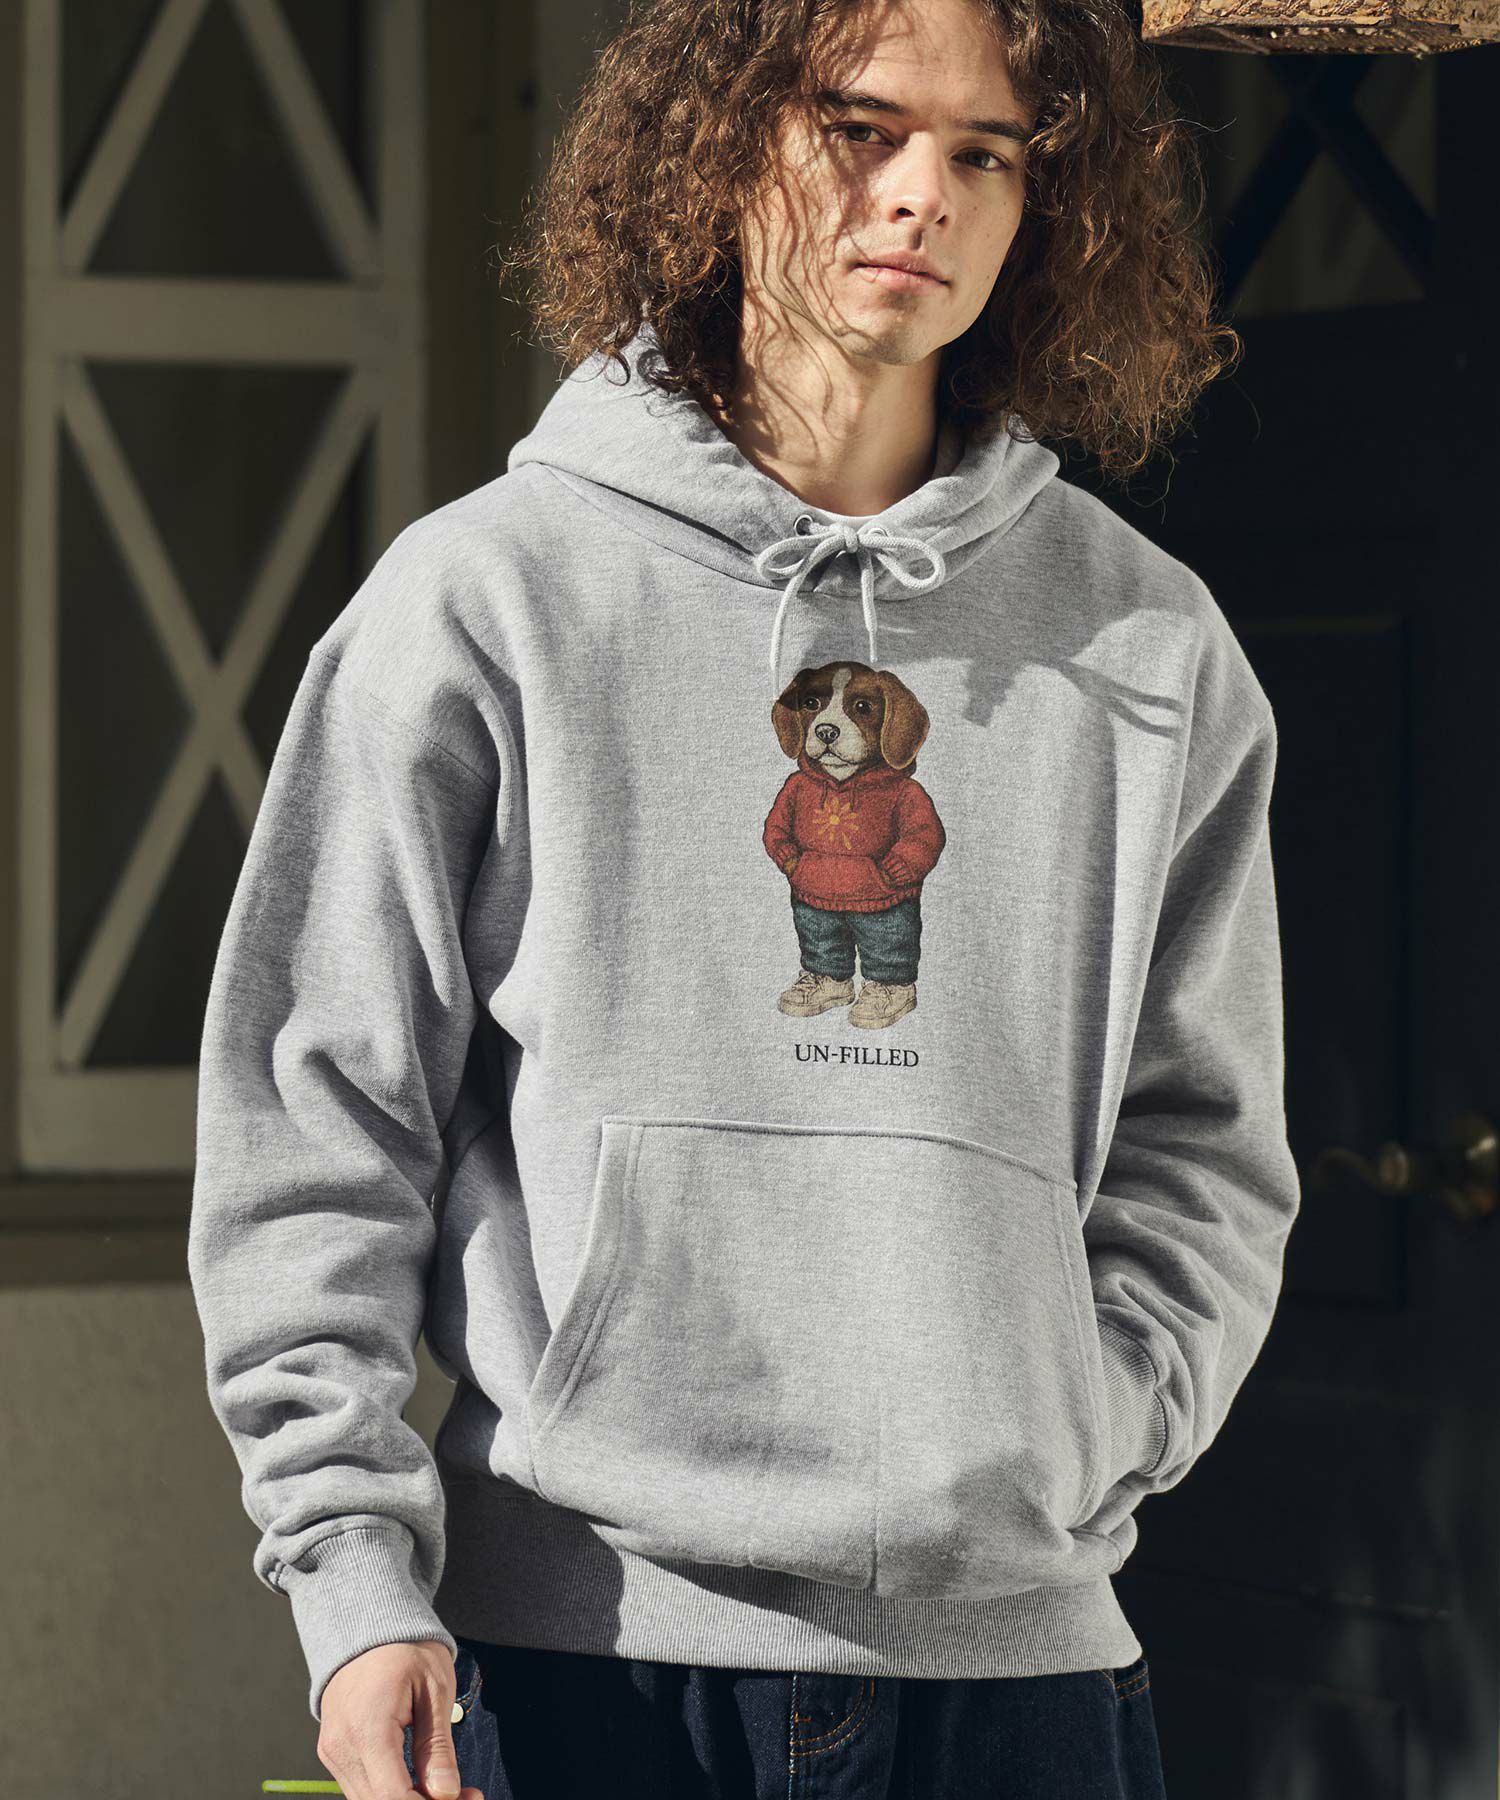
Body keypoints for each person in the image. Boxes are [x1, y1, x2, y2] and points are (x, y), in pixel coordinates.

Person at [186, 0, 1301, 1794]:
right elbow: (318, 1125)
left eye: (987, 153)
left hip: (1021, 1670)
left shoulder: (1150, 649)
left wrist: (1081, 1433)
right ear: (716, 144)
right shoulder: (488, 598)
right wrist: (353, 1575)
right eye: (861, 130)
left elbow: (1208, 1150)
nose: (923, 194)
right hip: (584, 1658)